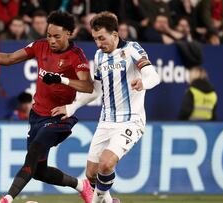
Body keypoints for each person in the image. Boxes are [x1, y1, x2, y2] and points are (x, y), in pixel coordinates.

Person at [0, 10, 94, 203]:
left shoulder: (77, 56)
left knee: (34, 151)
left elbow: (87, 86)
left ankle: (7, 199)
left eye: (57, 36)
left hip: (59, 116)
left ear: (69, 33)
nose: (51, 40)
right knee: (39, 171)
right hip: (37, 115)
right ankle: (81, 185)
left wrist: (63, 80)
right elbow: (10, 59)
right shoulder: (40, 46)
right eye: (49, 35)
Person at [51, 11, 160, 203]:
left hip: (131, 120)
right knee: (91, 174)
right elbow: (95, 90)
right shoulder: (100, 56)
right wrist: (71, 107)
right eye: (95, 39)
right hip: (106, 122)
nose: (99, 43)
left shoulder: (132, 49)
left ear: (115, 35)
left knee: (106, 164)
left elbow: (153, 75)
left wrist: (144, 82)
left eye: (102, 38)